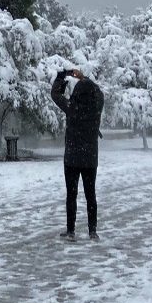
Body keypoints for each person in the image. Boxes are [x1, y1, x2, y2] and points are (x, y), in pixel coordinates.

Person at [51, 68, 105, 241]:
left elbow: (55, 95)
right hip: (90, 159)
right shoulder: (96, 108)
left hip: (72, 159)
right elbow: (99, 93)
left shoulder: (71, 108)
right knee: (91, 195)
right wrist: (84, 78)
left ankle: (71, 231)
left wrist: (61, 76)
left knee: (71, 195)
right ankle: (92, 231)